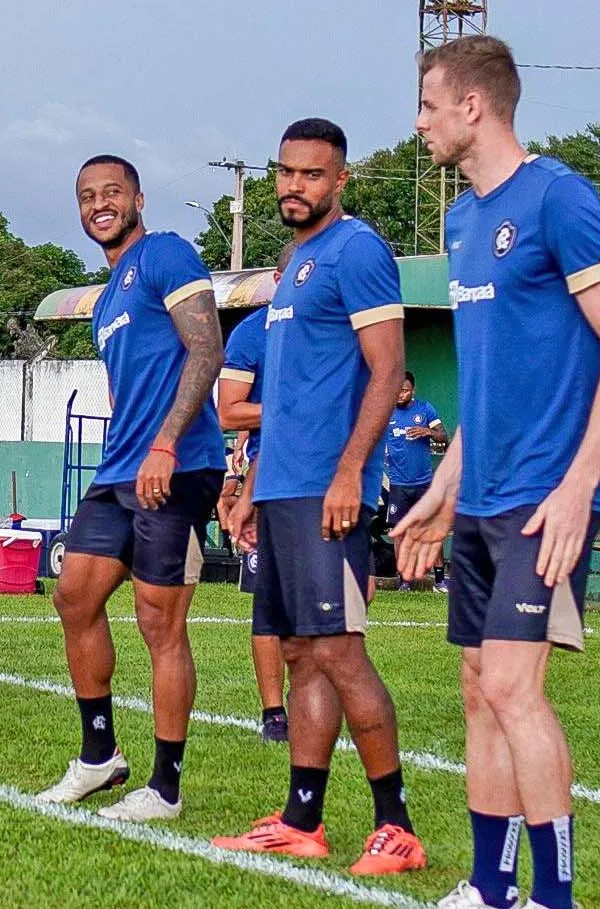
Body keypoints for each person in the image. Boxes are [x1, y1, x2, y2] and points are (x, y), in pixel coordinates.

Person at [401, 36, 600, 909]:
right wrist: (444, 486)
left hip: (547, 497)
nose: (419, 120)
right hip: (484, 494)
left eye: (429, 103)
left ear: (474, 105)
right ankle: (491, 886)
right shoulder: (461, 221)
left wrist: (581, 484)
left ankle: (556, 896)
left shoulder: (558, 199)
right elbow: (487, 379)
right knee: (477, 688)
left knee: (512, 684)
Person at [216, 119, 425, 875]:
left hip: (329, 489)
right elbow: (293, 397)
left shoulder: (358, 250)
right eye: (285, 173)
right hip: (282, 489)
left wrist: (351, 471)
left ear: (341, 180)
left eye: (310, 175)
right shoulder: (295, 264)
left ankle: (395, 823)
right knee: (302, 652)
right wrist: (251, 484)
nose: (292, 187)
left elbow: (385, 367)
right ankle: (303, 817)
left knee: (339, 650)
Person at [34, 154, 225, 821]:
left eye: (111, 191)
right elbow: (128, 388)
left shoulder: (167, 254)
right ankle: (98, 757)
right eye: (86, 196)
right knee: (74, 595)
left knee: (157, 621)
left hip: (176, 464)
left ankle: (165, 788)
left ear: (139, 197)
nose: (99, 204)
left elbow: (207, 350)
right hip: (119, 471)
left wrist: (166, 443)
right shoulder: (107, 298)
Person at [215, 244, 294, 745]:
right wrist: (292, 411)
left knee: (346, 603)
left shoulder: (343, 326)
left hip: (337, 478)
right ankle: (274, 713)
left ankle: (323, 697)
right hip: (274, 480)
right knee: (270, 601)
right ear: (277, 276)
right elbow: (229, 412)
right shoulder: (253, 332)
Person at [384, 371, 448, 592]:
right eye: (397, 389)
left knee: (431, 529)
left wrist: (427, 431)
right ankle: (404, 581)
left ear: (413, 390)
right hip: (398, 483)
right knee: (399, 532)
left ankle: (439, 580)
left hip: (424, 482)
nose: (400, 394)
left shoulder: (425, 409)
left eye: (404, 390)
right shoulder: (386, 412)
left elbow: (443, 436)